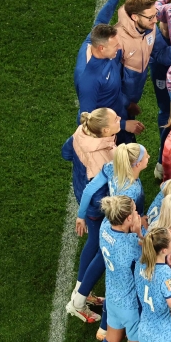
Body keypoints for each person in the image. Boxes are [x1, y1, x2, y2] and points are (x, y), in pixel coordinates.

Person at [68, 143, 148, 323]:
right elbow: (131, 217)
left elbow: (89, 190)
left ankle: (81, 298)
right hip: (123, 230)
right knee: (121, 272)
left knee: (101, 258)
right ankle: (95, 312)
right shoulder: (132, 189)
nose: (149, 158)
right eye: (145, 157)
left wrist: (81, 216)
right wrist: (140, 227)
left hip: (108, 223)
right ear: (136, 164)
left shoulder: (112, 167)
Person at [62, 108, 120, 322]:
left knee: (94, 243)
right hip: (98, 207)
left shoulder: (81, 132)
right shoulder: (100, 156)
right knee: (102, 250)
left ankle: (80, 294)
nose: (120, 118)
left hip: (82, 193)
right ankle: (78, 301)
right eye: (116, 118)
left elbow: (66, 153)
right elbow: (98, 193)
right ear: (105, 130)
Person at [93, 195, 147, 342]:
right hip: (131, 306)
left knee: (111, 340)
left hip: (113, 298)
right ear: (126, 219)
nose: (137, 215)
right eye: (134, 213)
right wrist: (139, 233)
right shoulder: (131, 245)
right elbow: (148, 257)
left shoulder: (105, 226)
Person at [75, 0, 142, 141]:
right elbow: (88, 121)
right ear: (101, 48)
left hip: (119, 112)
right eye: (115, 46)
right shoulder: (88, 79)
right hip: (108, 131)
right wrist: (123, 125)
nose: (119, 49)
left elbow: (101, 19)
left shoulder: (94, 39)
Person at [116, 0, 171, 139]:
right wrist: (126, 103)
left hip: (130, 99)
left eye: (155, 15)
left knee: (127, 142)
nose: (155, 20)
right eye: (150, 17)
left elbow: (160, 54)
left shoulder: (149, 28)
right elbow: (109, 82)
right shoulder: (118, 41)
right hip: (115, 101)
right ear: (135, 17)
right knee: (118, 143)